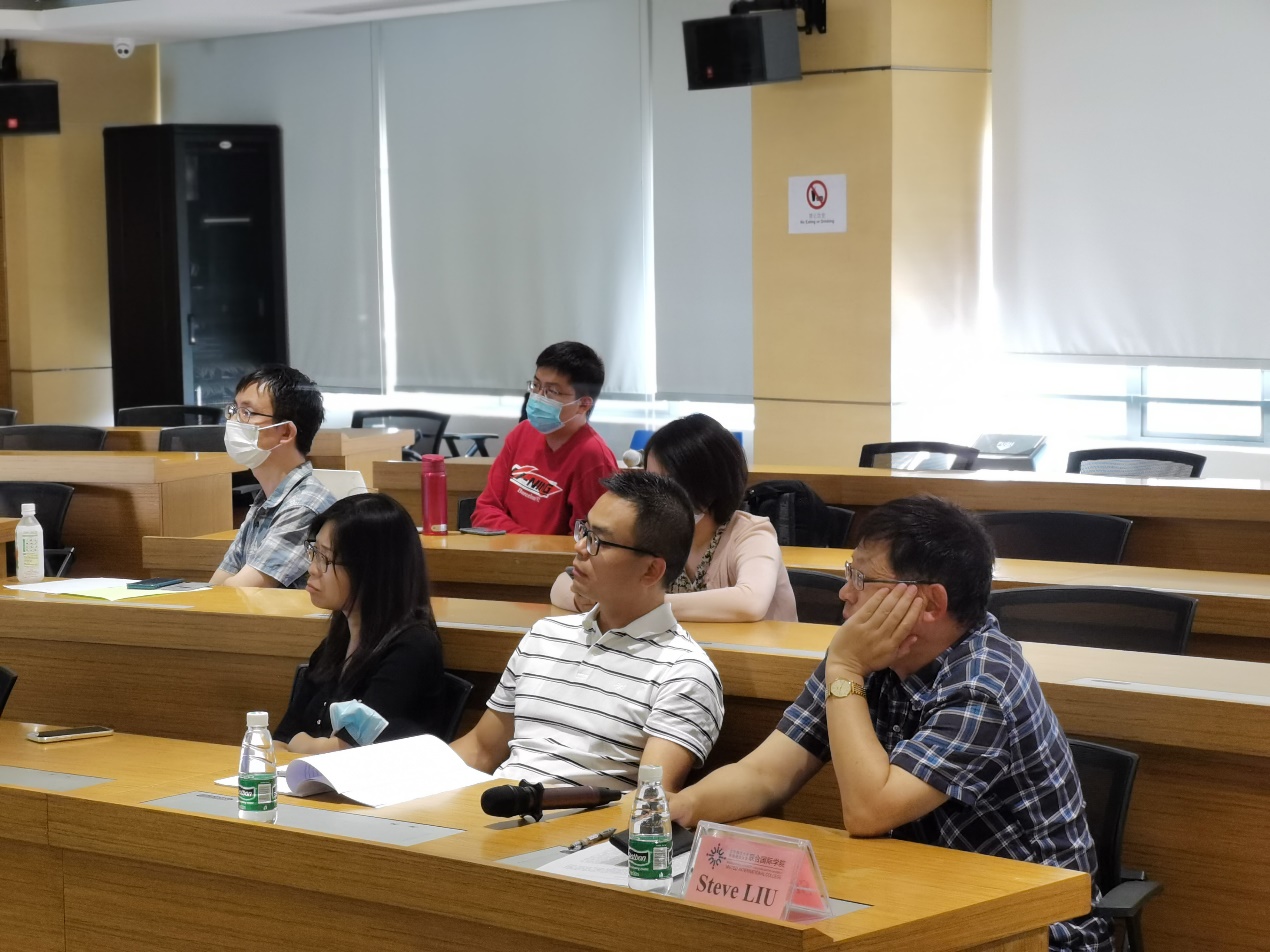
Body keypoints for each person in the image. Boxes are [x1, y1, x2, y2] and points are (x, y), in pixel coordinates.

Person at [669, 495, 1113, 952]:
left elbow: (869, 811)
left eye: (862, 580)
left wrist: (845, 669)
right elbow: (766, 773)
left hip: (1034, 929)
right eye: (849, 573)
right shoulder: (868, 655)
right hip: (930, 902)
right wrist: (682, 806)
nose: (845, 593)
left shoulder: (984, 681)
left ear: (930, 602)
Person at [452, 470, 725, 791]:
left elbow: (649, 802)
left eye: (599, 540)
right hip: (493, 807)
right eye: (584, 530)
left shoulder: (684, 673)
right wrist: (409, 773)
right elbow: (481, 749)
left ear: (652, 570)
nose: (580, 547)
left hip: (577, 820)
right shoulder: (545, 635)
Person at [549, 413, 797, 622]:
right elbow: (563, 583)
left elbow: (750, 603)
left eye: (668, 482)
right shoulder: (655, 531)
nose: (655, 494)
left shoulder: (751, 533)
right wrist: (587, 601)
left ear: (711, 482)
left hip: (758, 659)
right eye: (651, 479)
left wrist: (634, 605)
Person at [274, 493, 447, 755]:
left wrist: (304, 744)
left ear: (371, 570)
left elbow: (350, 750)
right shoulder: (334, 644)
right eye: (314, 552)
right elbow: (281, 739)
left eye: (325, 558)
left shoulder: (412, 649)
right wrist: (307, 745)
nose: (312, 569)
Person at [471, 341, 618, 535]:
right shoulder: (521, 433)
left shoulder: (593, 458)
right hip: (508, 550)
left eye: (552, 391)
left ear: (583, 404)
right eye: (536, 385)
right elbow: (485, 510)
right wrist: (524, 544)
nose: (538, 396)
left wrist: (530, 547)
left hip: (547, 555)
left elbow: (587, 540)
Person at [211, 365, 337, 589]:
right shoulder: (266, 500)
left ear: (286, 432)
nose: (234, 421)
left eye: (247, 412)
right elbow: (217, 585)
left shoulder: (304, 506)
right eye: (234, 410)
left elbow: (239, 591)